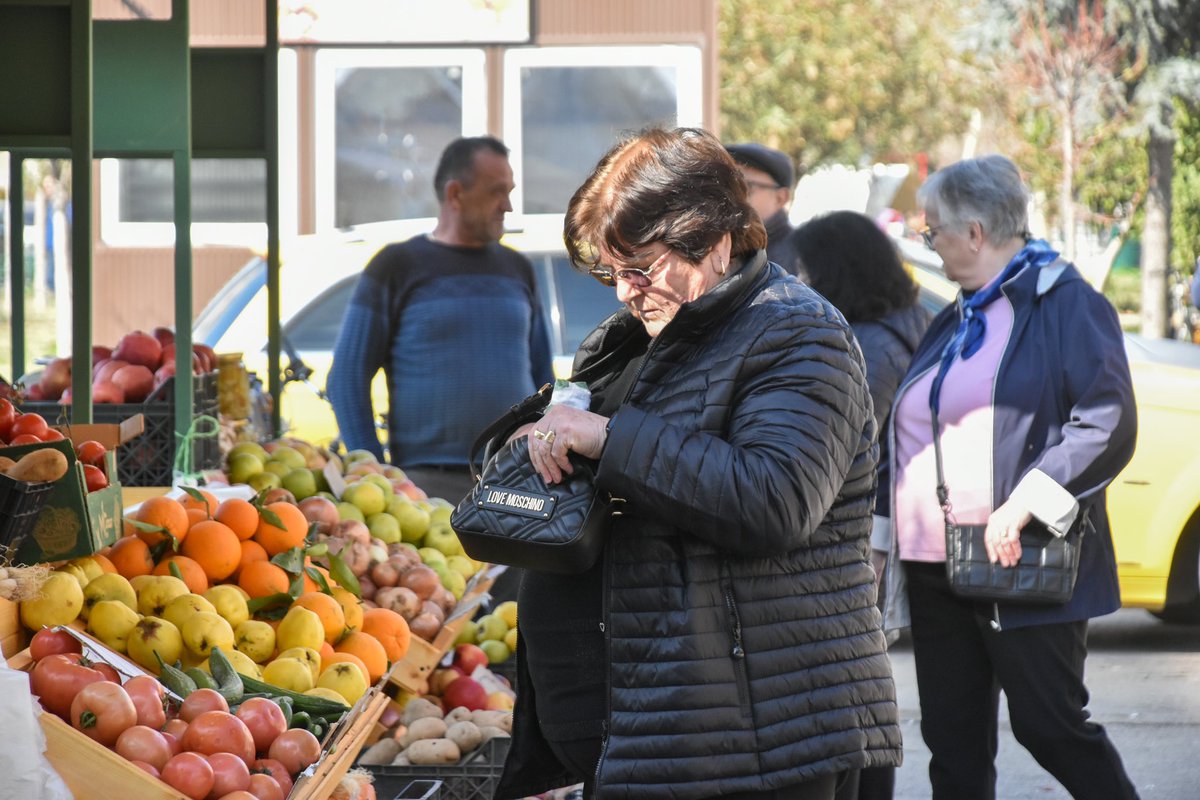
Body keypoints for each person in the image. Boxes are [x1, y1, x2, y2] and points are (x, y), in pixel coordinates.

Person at [495, 127, 902, 800]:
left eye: (641, 268)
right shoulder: (638, 335)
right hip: (658, 727)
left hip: (760, 737)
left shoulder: (799, 333)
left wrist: (606, 436)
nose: (625, 291)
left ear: (714, 241)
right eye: (611, 271)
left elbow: (775, 499)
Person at [883, 155, 1140, 800]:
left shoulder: (1065, 303)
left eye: (932, 230)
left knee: (1049, 727)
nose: (928, 242)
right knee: (954, 743)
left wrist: (1027, 499)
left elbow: (1106, 419)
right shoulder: (957, 315)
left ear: (974, 233)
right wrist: (880, 536)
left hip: (1017, 557)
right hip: (933, 564)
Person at [327, 135, 554, 503]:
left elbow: (545, 380)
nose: (508, 206)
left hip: (517, 480)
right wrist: (375, 474)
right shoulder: (397, 265)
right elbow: (346, 378)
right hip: (425, 486)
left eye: (510, 192)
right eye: (497, 192)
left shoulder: (518, 269)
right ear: (455, 194)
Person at [793, 211, 930, 800]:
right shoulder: (909, 322)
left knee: (853, 690)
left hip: (865, 538)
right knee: (868, 685)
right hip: (895, 528)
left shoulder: (866, 345)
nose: (795, 279)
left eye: (804, 268)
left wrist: (870, 543)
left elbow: (860, 453)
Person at [725, 142, 802, 274]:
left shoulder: (797, 258)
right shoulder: (723, 246)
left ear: (780, 198)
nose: (732, 195)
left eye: (745, 187)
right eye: (728, 184)